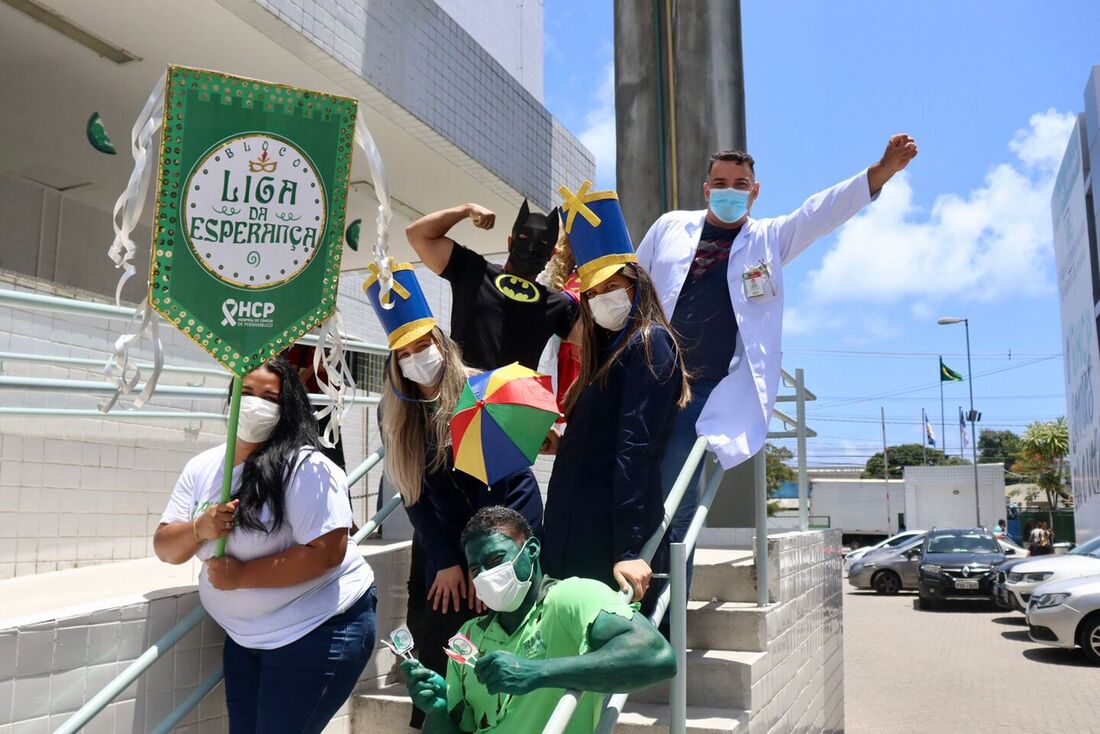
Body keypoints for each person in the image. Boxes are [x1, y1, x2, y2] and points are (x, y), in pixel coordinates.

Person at [637, 134, 919, 588]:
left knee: (677, 497)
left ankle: (664, 623)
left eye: (740, 183)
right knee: (635, 486)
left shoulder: (768, 239)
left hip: (705, 387)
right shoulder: (670, 226)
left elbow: (819, 213)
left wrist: (879, 172)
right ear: (705, 189)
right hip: (650, 376)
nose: (731, 190)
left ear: (755, 191)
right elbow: (635, 283)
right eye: (721, 182)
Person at [154, 357, 376, 734]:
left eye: (269, 397)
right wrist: (198, 528)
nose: (256, 403)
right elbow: (165, 547)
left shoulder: (308, 468)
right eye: (247, 392)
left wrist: (242, 575)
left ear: (286, 407)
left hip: (318, 628)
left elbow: (329, 551)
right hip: (246, 639)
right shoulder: (204, 467)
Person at [366, 264, 544, 728]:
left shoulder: (480, 393)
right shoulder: (399, 418)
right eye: (405, 352)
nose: (417, 357)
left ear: (441, 343)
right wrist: (448, 561)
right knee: (437, 662)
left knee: (496, 666)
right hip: (441, 560)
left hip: (499, 550)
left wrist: (495, 565)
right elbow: (414, 498)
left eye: (424, 345)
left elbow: (517, 484)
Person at [541, 182, 690, 605]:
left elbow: (634, 447)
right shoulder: (604, 353)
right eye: (592, 293)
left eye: (612, 286)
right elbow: (608, 437)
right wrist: (566, 441)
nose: (602, 299)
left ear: (636, 282)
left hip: (607, 536)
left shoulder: (650, 342)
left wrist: (627, 549)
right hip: (574, 526)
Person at [402, 507, 676, 734]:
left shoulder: (571, 596)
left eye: (496, 559)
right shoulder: (468, 636)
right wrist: (437, 711)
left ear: (531, 550)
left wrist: (534, 672)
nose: (486, 575)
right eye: (476, 569)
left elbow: (657, 656)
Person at [405, 198, 577, 370]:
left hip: (514, 395)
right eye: (524, 238)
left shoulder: (556, 304)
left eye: (542, 244)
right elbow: (418, 235)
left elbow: (594, 339)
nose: (532, 248)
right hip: (464, 392)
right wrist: (466, 209)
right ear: (510, 242)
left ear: (552, 254)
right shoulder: (474, 271)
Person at [282, 343, 345, 469]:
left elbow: (339, 388)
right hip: (306, 408)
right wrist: (312, 369)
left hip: (327, 410)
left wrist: (330, 372)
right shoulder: (300, 350)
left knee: (332, 452)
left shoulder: (329, 352)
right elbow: (291, 384)